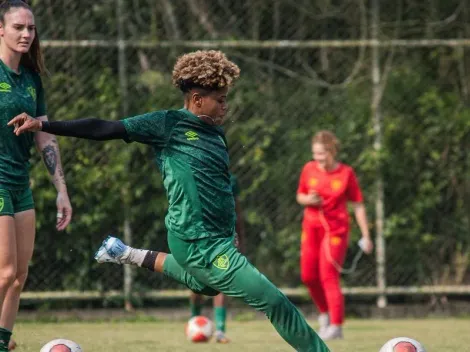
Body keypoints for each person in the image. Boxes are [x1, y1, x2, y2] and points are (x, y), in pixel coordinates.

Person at [9, 50, 330, 352]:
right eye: (220, 101)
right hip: (196, 240)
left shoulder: (217, 135)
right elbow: (105, 128)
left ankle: (128, 253)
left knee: (206, 286)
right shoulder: (168, 124)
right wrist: (44, 124)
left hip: (214, 241)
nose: (225, 107)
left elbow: (217, 187)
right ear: (196, 99)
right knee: (275, 302)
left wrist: (228, 229)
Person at [0, 1, 72, 351]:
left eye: (31, 28)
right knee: (5, 271)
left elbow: (44, 134)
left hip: (19, 182)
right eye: (18, 27)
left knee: (19, 278)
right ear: (0, 29)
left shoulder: (31, 80)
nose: (27, 34)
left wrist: (61, 190)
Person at [296, 130, 373, 341]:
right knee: (308, 276)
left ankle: (336, 326)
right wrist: (308, 200)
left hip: (336, 231)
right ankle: (325, 315)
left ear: (332, 152)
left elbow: (358, 204)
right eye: (315, 154)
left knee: (328, 275)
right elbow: (300, 196)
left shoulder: (346, 173)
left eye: (322, 154)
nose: (318, 159)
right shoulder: (309, 169)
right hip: (311, 228)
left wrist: (366, 235)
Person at [189, 173, 245, 343]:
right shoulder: (193, 176)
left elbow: (237, 210)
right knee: (196, 283)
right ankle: (194, 320)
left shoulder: (230, 180)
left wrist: (240, 234)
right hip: (198, 236)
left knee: (221, 281)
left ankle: (220, 330)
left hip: (222, 238)